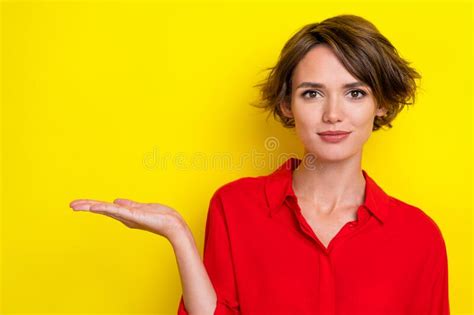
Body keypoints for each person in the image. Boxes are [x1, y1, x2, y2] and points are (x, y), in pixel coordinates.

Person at [69, 14, 450, 315]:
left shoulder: (420, 237)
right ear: (287, 105)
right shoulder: (234, 208)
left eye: (355, 93)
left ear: (380, 104)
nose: (333, 114)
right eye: (312, 93)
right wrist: (178, 235)